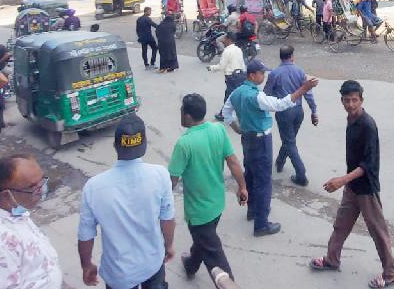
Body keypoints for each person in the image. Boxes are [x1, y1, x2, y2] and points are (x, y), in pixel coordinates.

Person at [308, 80, 394, 289]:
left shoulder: (367, 124)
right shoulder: (351, 119)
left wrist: (342, 180)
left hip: (366, 188)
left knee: (377, 230)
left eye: (354, 100)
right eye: (347, 100)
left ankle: (392, 272)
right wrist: (347, 182)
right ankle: (332, 259)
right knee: (341, 225)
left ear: (361, 100)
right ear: (341, 100)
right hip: (352, 187)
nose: (351, 104)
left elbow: (368, 164)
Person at [221, 59, 318, 236]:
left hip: (248, 139)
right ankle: (261, 224)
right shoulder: (256, 96)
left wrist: (238, 129)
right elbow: (279, 104)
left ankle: (252, 210)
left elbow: (226, 112)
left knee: (250, 174)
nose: (264, 76)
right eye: (261, 73)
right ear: (252, 75)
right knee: (264, 181)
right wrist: (302, 90)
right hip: (261, 140)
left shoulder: (237, 92)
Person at [78, 114, 175, 289]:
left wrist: (86, 265)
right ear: (144, 146)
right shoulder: (160, 175)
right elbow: (167, 219)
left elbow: (86, 235)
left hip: (118, 273)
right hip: (152, 264)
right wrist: (168, 246)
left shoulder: (93, 187)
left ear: (115, 146)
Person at [169, 94, 247, 283]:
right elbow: (233, 161)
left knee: (218, 263)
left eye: (181, 110)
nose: (180, 112)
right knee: (205, 241)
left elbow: (171, 180)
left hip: (198, 212)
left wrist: (159, 207)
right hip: (217, 204)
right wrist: (242, 187)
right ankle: (191, 264)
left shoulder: (184, 143)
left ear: (187, 116)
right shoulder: (218, 129)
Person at [0, 154, 60, 289]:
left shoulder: (16, 212)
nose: (41, 190)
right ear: (6, 195)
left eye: (41, 182)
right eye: (33, 187)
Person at [265, 45, 318, 186]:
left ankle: (301, 174)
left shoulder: (274, 73)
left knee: (289, 141)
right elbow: (308, 92)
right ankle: (280, 161)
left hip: (284, 112)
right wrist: (314, 111)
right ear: (292, 56)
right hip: (298, 111)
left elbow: (266, 94)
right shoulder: (300, 71)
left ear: (280, 57)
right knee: (290, 139)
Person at [207, 33, 246, 121]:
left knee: (229, 96)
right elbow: (242, 63)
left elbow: (221, 66)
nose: (223, 40)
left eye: (224, 38)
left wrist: (211, 68)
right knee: (238, 95)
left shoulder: (227, 51)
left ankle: (224, 114)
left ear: (228, 39)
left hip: (232, 77)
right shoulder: (238, 49)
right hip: (241, 75)